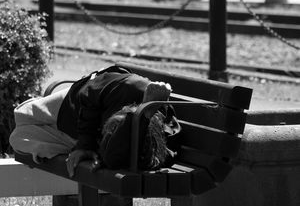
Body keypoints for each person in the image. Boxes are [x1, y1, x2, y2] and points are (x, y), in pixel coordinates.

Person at [9, 65, 181, 177]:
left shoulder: (143, 150)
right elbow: (89, 93)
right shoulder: (133, 88)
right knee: (21, 115)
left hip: (83, 133)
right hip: (76, 102)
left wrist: (86, 148)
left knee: (18, 137)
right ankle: (79, 146)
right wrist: (85, 145)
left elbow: (115, 156)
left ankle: (78, 147)